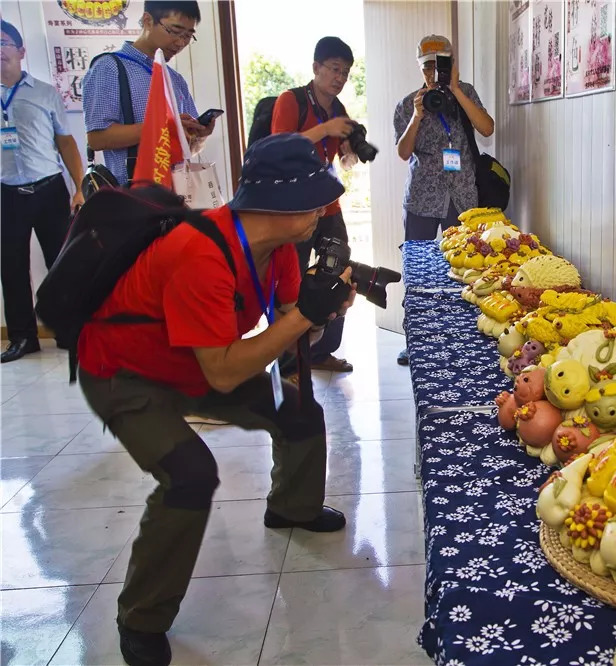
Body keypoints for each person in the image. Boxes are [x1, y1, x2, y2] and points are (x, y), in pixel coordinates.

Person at [76, 134, 355, 666]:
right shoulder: (200, 252)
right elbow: (224, 374)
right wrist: (304, 316)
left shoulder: (279, 252)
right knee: (189, 473)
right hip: (124, 372)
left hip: (196, 360)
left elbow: (295, 332)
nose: (324, 209)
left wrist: (325, 307)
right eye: (316, 200)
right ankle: (140, 617)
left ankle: (291, 508)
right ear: (278, 203)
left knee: (298, 409)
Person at [393, 34, 494, 365]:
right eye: (428, 66)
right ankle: (416, 339)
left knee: (466, 269)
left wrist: (456, 91)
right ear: (420, 67)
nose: (434, 72)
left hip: (462, 196)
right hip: (423, 196)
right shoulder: (409, 104)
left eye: (442, 64)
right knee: (417, 273)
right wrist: (418, 115)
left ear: (453, 64)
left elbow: (487, 128)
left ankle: (464, 334)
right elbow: (403, 151)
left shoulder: (466, 93)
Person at [271, 36, 357, 375]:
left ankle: (322, 352)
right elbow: (279, 149)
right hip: (293, 210)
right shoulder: (291, 100)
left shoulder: (338, 109)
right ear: (316, 68)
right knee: (291, 285)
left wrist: (351, 148)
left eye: (346, 72)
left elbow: (342, 157)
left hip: (328, 207)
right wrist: (326, 129)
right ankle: (288, 364)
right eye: (335, 69)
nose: (339, 78)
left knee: (339, 274)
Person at [1, 20, 85, 363]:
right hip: (6, 191)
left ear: (21, 51)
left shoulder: (45, 91)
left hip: (49, 188)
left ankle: (69, 332)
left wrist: (79, 186)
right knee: (12, 266)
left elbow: (65, 142)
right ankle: (23, 338)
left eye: (4, 42)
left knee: (61, 263)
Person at [82, 0, 213, 187]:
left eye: (188, 36)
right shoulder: (109, 67)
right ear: (148, 20)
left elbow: (189, 149)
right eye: (175, 32)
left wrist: (200, 135)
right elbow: (97, 138)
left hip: (177, 193)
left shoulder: (175, 79)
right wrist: (161, 128)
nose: (181, 42)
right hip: (133, 194)